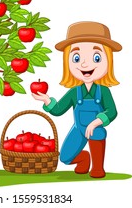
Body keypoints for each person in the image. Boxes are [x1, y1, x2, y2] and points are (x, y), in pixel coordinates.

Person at [32, 21, 122, 178]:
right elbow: (59, 110)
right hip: (78, 129)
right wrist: (47, 100)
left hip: (96, 129)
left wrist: (96, 122)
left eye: (96, 57)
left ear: (108, 60)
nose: (85, 64)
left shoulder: (103, 91)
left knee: (97, 134)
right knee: (65, 157)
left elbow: (112, 111)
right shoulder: (75, 92)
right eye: (76, 58)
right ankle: (84, 159)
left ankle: (98, 167)